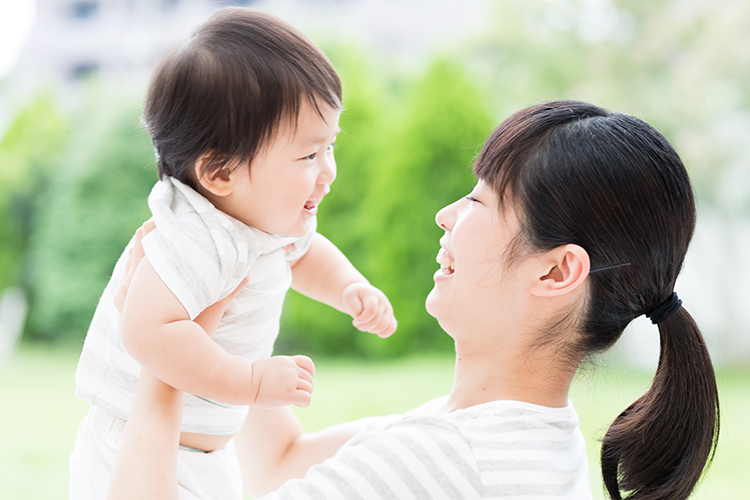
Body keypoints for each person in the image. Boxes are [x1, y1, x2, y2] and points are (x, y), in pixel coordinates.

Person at [106, 101, 720, 500]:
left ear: (558, 271)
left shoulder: (445, 460)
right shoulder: (506, 439)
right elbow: (279, 464)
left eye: (479, 202)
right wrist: (229, 291)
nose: (446, 214)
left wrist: (158, 348)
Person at [69, 8, 397, 500]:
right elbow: (148, 330)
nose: (328, 171)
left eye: (330, 146)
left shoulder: (264, 217)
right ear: (219, 172)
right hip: (134, 450)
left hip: (205, 449)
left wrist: (351, 287)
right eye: (308, 154)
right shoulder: (195, 237)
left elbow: (305, 254)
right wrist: (251, 382)